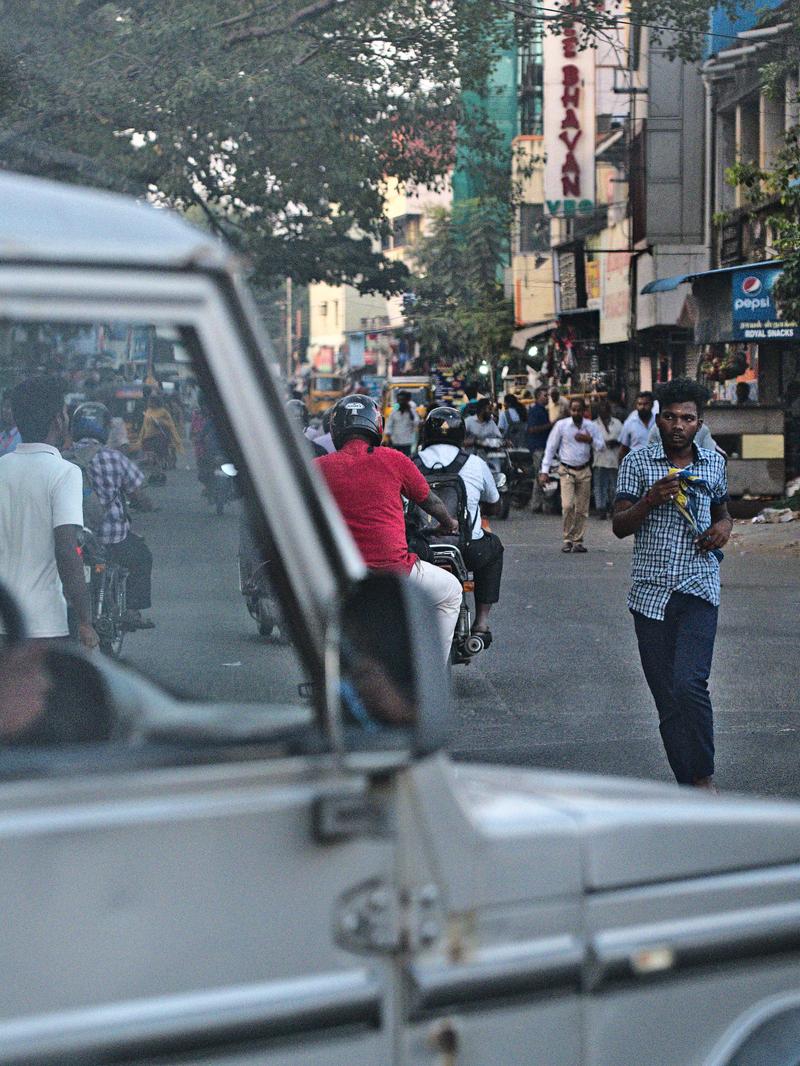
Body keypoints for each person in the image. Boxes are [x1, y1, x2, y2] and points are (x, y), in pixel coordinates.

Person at [613, 378, 732, 791]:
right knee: (667, 699)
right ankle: (689, 784)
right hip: (650, 595)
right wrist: (649, 500)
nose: (678, 425)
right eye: (670, 417)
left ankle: (703, 779)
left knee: (689, 684)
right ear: (657, 418)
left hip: (699, 587)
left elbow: (723, 510)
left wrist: (723, 528)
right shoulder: (637, 463)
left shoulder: (714, 462)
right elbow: (618, 526)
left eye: (688, 418)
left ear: (700, 422)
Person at [315, 395, 461, 659]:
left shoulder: (318, 468)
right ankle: (431, 673)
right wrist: (448, 523)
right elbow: (430, 501)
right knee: (452, 592)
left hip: (338, 576)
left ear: (336, 430)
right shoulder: (394, 460)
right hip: (393, 574)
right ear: (376, 425)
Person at [0, 378, 98, 649]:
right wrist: (85, 620)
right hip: (42, 624)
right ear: (58, 421)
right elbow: (67, 549)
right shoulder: (64, 474)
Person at [416, 407, 504, 646]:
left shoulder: (411, 463)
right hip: (466, 549)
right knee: (494, 548)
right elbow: (495, 505)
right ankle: (482, 623)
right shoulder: (475, 463)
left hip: (420, 550)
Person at [69, 402, 156, 631]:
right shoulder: (114, 458)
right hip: (112, 539)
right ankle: (131, 611)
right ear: (104, 429)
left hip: (73, 538)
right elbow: (138, 494)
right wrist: (147, 505)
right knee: (142, 558)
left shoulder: (63, 457)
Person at [539, 396, 606, 553]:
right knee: (568, 505)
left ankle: (578, 540)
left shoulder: (591, 426)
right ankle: (567, 538)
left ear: (584, 411)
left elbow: (601, 446)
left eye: (579, 410)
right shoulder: (562, 426)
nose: (576, 412)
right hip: (566, 469)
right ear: (570, 410)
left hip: (584, 470)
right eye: (573, 409)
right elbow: (550, 448)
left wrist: (589, 439)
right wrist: (544, 471)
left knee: (582, 508)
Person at [138, 391, 183, 485]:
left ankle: (160, 475)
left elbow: (170, 424)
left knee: (156, 458)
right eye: (149, 401)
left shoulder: (163, 411)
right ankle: (154, 475)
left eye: (152, 401)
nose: (150, 403)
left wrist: (159, 422)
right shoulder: (148, 411)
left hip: (159, 438)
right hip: (148, 438)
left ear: (157, 402)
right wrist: (141, 438)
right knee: (150, 459)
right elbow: (144, 425)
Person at [592, 398, 623, 519]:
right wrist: (603, 443)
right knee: (599, 486)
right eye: (601, 410)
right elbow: (590, 441)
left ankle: (614, 508)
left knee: (614, 486)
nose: (604, 413)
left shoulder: (617, 423)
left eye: (606, 410)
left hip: (614, 459)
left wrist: (615, 442)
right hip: (599, 459)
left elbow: (623, 440)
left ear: (610, 411)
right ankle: (601, 509)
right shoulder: (593, 425)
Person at [525, 386, 551, 512]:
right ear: (538, 397)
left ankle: (542, 503)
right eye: (545, 395)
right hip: (537, 447)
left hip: (544, 446)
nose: (547, 398)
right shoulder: (535, 411)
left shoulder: (544, 411)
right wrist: (549, 425)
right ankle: (535, 504)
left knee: (543, 475)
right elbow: (531, 429)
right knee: (540, 475)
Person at [618, 391, 656, 460]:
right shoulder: (630, 422)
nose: (642, 407)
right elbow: (623, 448)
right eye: (639, 404)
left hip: (655, 464)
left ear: (652, 405)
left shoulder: (658, 422)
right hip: (636, 465)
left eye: (646, 404)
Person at [384, 390, 419, 455]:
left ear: (407, 401)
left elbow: (416, 423)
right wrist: (388, 438)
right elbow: (389, 425)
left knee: (406, 459)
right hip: (395, 441)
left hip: (407, 442)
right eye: (399, 400)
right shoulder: (394, 412)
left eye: (403, 400)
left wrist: (410, 413)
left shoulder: (412, 411)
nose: (401, 402)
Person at [0, 391, 21, 456]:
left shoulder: (23, 436)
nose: (5, 410)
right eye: (4, 406)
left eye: (9, 407)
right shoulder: (2, 435)